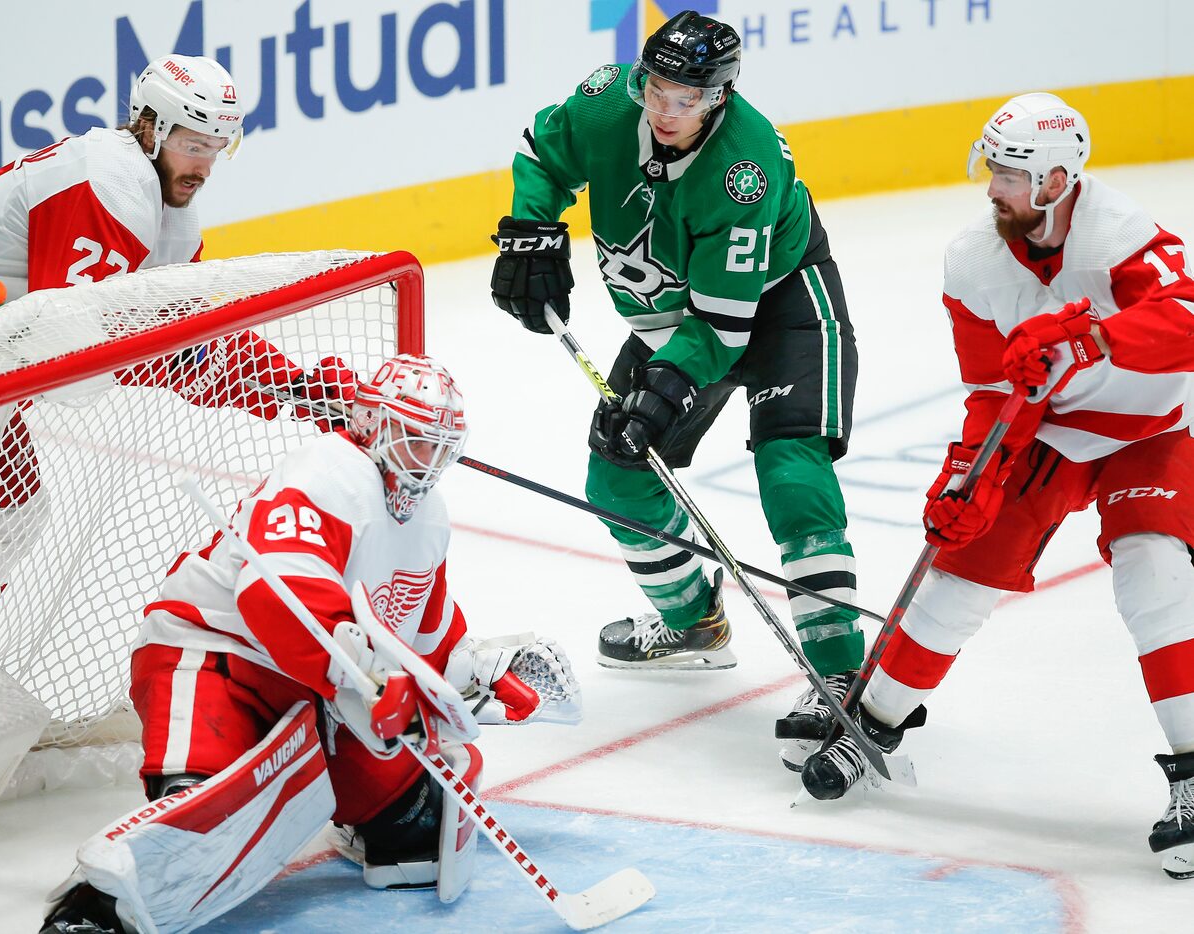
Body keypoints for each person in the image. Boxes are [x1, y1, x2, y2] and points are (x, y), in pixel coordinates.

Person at [41, 354, 581, 933]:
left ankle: (343, 806)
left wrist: (475, 675)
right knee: (208, 824)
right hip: (218, 656)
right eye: (412, 439)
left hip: (319, 685)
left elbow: (421, 631)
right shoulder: (328, 469)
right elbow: (277, 597)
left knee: (415, 828)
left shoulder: (429, 519)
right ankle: (92, 913)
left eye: (437, 445)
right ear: (371, 422)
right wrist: (367, 680)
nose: (425, 460)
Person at [0, 55, 339, 634]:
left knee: (6, 517)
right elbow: (74, 363)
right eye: (192, 143)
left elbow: (186, 347)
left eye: (218, 146)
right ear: (151, 126)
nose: (203, 166)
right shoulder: (109, 181)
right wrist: (162, 348)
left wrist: (302, 390)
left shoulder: (170, 219)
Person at [800, 92, 1194, 878]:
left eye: (1009, 175)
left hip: (1150, 431)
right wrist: (966, 477)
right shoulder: (971, 259)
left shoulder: (1118, 233)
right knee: (958, 572)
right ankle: (870, 722)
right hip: (1048, 435)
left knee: (1154, 572)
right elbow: (989, 391)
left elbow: (1186, 311)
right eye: (992, 170)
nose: (992, 189)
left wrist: (1091, 337)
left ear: (1055, 180)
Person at [490, 10, 864, 767]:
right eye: (655, 89)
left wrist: (662, 390)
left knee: (791, 471)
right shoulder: (606, 103)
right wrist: (531, 230)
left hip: (783, 304)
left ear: (718, 98)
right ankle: (694, 622)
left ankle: (840, 672)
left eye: (684, 99)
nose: (664, 110)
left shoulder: (745, 165)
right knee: (616, 476)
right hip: (675, 317)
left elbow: (723, 329)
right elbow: (542, 149)